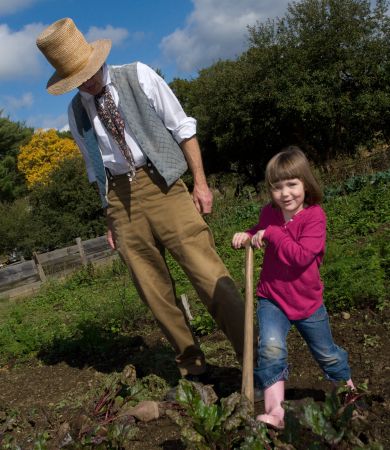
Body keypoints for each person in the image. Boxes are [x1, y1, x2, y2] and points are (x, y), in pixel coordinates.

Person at [36, 18, 247, 383]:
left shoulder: (139, 75)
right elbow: (96, 170)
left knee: (207, 272)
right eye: (77, 79)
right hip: (119, 198)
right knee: (153, 291)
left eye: (88, 73)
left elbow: (183, 127)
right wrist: (109, 217)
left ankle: (256, 358)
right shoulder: (75, 112)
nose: (87, 82)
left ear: (95, 58)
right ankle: (194, 368)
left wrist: (200, 182)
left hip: (163, 182)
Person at [232, 146, 355, 429]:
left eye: (292, 185)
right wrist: (249, 234)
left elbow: (301, 257)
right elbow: (261, 230)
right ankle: (275, 412)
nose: (285, 193)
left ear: (305, 183)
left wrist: (272, 234)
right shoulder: (270, 213)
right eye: (277, 187)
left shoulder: (315, 217)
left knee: (326, 353)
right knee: (271, 348)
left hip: (306, 302)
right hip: (272, 298)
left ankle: (349, 392)